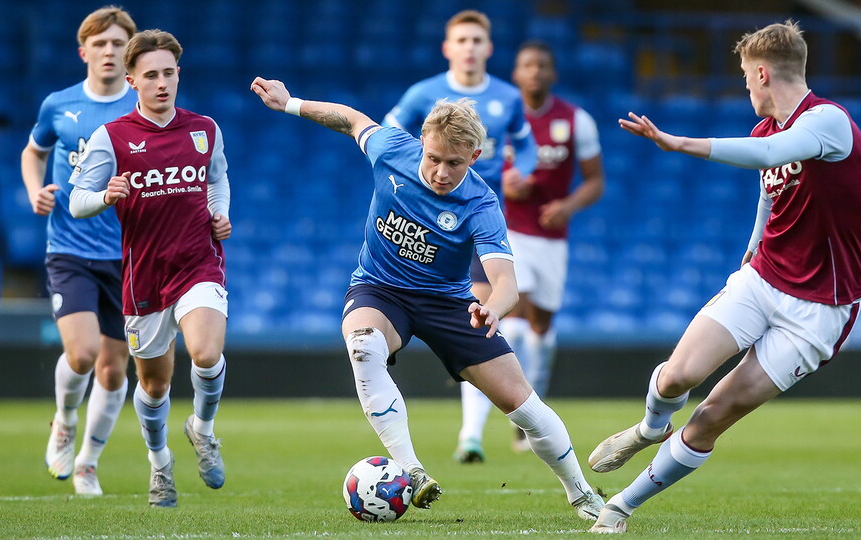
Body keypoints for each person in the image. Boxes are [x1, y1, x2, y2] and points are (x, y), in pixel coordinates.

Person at [250, 77, 605, 521]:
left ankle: (582, 494)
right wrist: (292, 104)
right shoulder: (391, 150)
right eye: (434, 158)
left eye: (454, 163)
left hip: (448, 303)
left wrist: (491, 308)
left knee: (525, 407)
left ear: (475, 157)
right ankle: (413, 471)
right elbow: (351, 119)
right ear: (422, 142)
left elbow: (506, 283)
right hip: (379, 289)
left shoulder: (481, 202)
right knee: (363, 345)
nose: (441, 172)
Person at [587, 20, 861, 534]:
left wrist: (678, 143)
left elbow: (768, 156)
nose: (746, 88)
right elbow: (769, 191)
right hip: (763, 280)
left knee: (713, 415)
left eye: (745, 77)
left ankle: (620, 507)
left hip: (819, 311)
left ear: (762, 73)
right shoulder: (767, 129)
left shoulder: (828, 121)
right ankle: (649, 430)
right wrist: (750, 249)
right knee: (677, 376)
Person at [69, 29, 233, 508]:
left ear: (178, 74)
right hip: (144, 276)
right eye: (151, 76)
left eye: (169, 74)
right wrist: (105, 195)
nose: (162, 83)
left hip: (198, 262)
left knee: (205, 353)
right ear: (131, 79)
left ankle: (202, 430)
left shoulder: (205, 129)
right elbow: (77, 200)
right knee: (154, 384)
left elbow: (217, 180)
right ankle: (160, 463)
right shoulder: (112, 137)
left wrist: (220, 214)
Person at [382, 8, 538, 465]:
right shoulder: (423, 94)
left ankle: (471, 432)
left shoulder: (508, 98)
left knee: (480, 316)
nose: (469, 48)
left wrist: (520, 172)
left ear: (488, 48)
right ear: (448, 48)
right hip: (429, 219)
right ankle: (482, 426)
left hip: (478, 219)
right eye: (461, 40)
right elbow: (391, 135)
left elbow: (525, 144)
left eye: (477, 41)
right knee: (466, 318)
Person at [20, 5, 138, 496]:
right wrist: (35, 190)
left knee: (115, 367)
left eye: (118, 44)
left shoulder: (142, 108)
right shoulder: (59, 105)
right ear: (83, 50)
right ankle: (65, 419)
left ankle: (88, 461)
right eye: (101, 43)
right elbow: (34, 151)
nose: (109, 51)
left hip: (129, 254)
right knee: (84, 352)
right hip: (69, 247)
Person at [503, 41, 605, 452]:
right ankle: (520, 410)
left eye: (542, 65)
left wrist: (568, 205)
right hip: (506, 230)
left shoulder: (576, 120)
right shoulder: (498, 117)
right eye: (527, 65)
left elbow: (596, 181)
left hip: (552, 238)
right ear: (516, 73)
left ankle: (535, 398)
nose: (535, 72)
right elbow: (471, 165)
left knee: (541, 327)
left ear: (552, 74)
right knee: (516, 306)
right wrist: (506, 181)